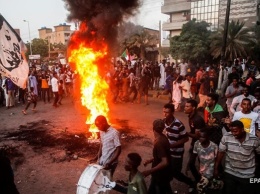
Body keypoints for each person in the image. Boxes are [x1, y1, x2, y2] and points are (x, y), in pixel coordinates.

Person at [214, 120, 260, 194]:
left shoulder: (254, 140)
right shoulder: (226, 137)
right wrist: (216, 168)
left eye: (235, 131)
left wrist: (257, 168)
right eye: (232, 131)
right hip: (230, 172)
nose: (233, 134)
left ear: (242, 129)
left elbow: (258, 153)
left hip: (247, 174)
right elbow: (221, 152)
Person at [162, 103, 194, 192]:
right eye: (163, 112)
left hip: (177, 153)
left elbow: (186, 139)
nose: (164, 114)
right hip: (168, 152)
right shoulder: (163, 122)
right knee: (167, 172)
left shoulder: (178, 124)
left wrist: (172, 145)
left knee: (176, 173)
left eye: (167, 112)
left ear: (172, 112)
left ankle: (191, 183)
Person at [142, 119, 172, 194]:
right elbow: (162, 155)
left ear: (153, 128)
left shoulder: (159, 142)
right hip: (162, 174)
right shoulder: (163, 137)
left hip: (160, 175)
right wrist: (150, 160)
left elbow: (165, 162)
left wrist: (149, 171)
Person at [190, 129, 219, 194]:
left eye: (202, 137)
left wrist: (216, 170)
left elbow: (217, 160)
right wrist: (189, 165)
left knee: (200, 187)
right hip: (202, 171)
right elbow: (193, 156)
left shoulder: (214, 146)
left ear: (207, 137)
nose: (200, 139)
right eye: (199, 137)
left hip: (211, 172)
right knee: (205, 188)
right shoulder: (197, 144)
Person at [184, 99, 205, 182]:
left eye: (187, 106)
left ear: (193, 108)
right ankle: (199, 180)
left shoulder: (197, 119)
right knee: (192, 163)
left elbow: (197, 136)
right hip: (195, 142)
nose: (185, 108)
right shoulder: (191, 116)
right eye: (185, 106)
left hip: (201, 144)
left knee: (200, 163)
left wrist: (185, 133)